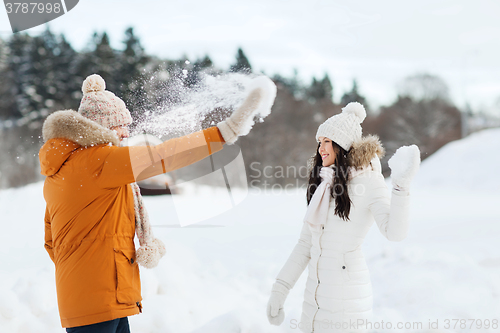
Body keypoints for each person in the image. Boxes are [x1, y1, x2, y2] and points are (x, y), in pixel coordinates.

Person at [40, 74, 276, 332]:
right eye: (120, 125)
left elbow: (52, 241)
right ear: (102, 127)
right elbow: (164, 155)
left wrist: (82, 268)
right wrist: (224, 131)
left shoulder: (61, 171)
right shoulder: (101, 161)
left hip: (88, 296)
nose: (126, 132)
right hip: (99, 298)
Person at [266, 102, 420, 333]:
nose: (321, 148)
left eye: (327, 141)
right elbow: (305, 244)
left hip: (347, 306)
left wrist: (400, 186)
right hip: (313, 306)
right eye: (320, 142)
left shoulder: (369, 181)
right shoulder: (325, 184)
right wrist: (280, 289)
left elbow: (395, 233)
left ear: (343, 145)